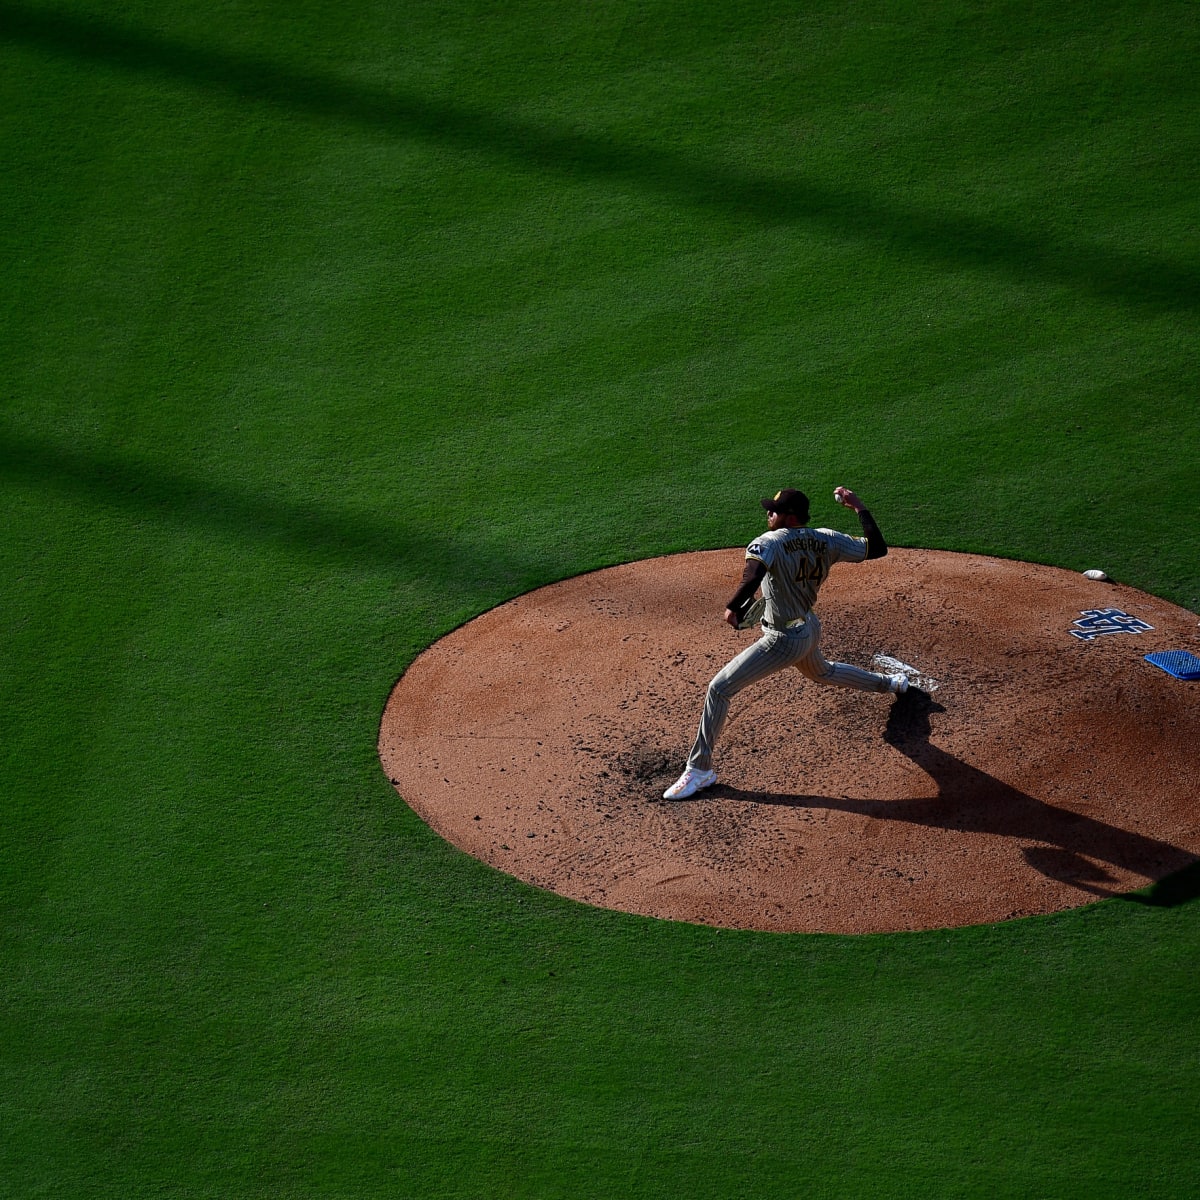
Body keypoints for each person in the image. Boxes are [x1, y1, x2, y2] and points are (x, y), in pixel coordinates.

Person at [663, 486, 909, 800]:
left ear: (789, 516)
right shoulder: (827, 538)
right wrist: (859, 507)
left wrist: (733, 607)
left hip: (783, 640)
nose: (769, 513)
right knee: (824, 672)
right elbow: (877, 548)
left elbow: (752, 575)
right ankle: (892, 684)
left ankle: (700, 770)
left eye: (774, 510)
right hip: (808, 627)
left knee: (720, 688)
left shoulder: (770, 541)